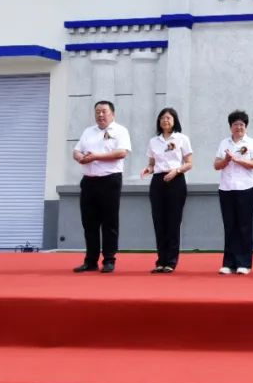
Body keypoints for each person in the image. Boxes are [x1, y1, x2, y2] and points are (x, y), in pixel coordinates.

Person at [72, 100, 131, 273]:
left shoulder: (120, 131)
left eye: (104, 111)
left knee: (109, 222)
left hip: (110, 180)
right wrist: (79, 157)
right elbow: (76, 150)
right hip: (89, 181)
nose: (100, 115)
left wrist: (96, 156)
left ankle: (109, 259)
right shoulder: (88, 131)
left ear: (113, 114)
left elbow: (122, 152)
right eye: (97, 111)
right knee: (89, 222)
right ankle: (90, 260)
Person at [139, 107, 193, 274]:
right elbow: (152, 164)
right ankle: (160, 261)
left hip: (176, 180)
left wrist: (176, 171)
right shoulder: (154, 141)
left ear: (174, 120)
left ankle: (171, 261)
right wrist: (148, 169)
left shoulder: (182, 139)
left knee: (173, 222)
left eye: (168, 118)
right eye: (162, 118)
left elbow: (189, 163)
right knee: (159, 221)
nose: (165, 120)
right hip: (158, 181)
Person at [213, 110, 253, 275]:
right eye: (235, 124)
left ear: (245, 126)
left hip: (245, 188)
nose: (238, 127)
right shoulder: (224, 143)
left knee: (244, 226)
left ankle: (244, 263)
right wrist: (226, 160)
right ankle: (229, 263)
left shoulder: (251, 143)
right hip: (226, 188)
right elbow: (216, 165)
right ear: (230, 126)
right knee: (229, 226)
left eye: (241, 124)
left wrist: (238, 159)